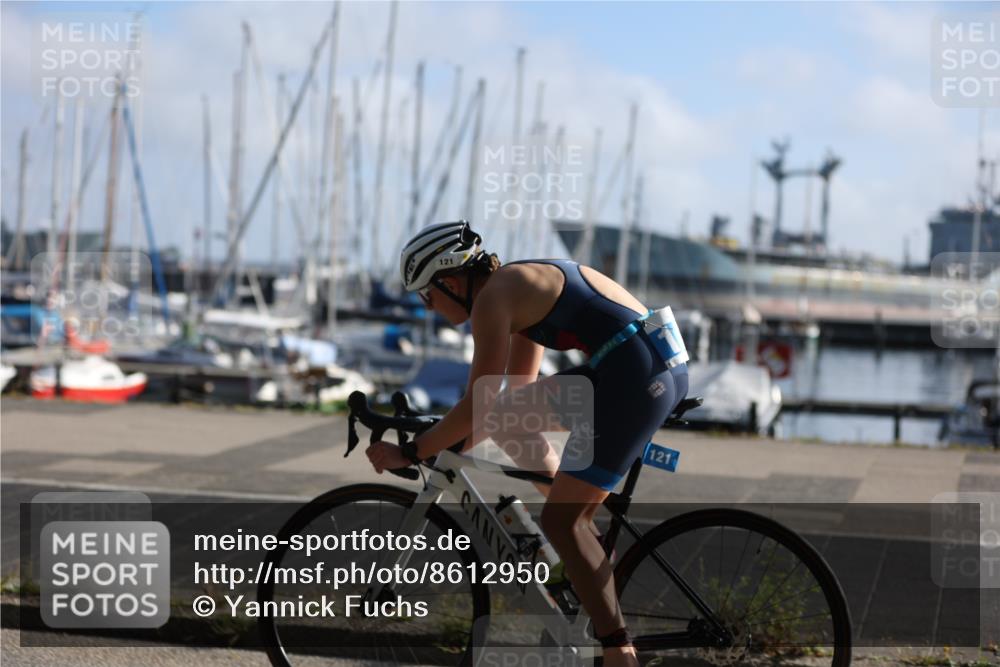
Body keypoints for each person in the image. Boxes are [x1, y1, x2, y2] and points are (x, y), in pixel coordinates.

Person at [366, 220, 688, 667]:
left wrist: (414, 450)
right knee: (519, 429)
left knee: (561, 523)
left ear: (451, 281)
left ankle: (618, 649)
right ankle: (585, 544)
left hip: (635, 376)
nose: (428, 306)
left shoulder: (493, 300)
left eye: (427, 294)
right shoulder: (513, 288)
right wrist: (452, 446)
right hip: (647, 364)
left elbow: (478, 405)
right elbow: (510, 401)